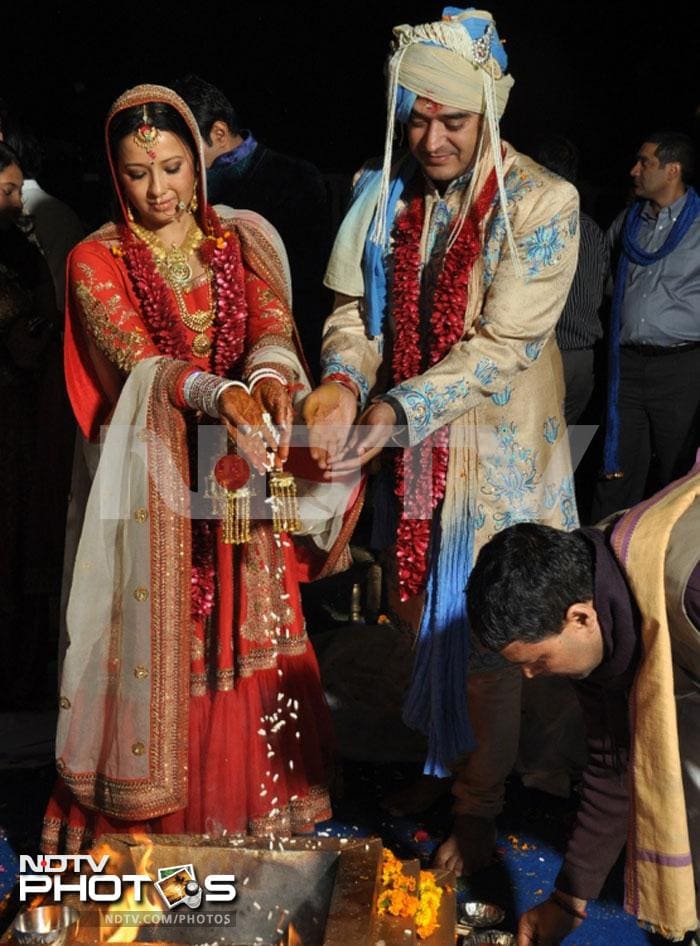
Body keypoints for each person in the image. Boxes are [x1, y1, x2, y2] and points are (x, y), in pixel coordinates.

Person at [303, 7, 580, 874]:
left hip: (496, 462)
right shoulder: (382, 191)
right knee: (416, 614)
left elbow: (500, 348)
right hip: (417, 460)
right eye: (415, 117)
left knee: (487, 636)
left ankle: (479, 808)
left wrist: (391, 413)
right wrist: (345, 379)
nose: (429, 139)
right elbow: (354, 314)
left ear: (488, 112)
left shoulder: (542, 203)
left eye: (451, 120)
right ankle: (446, 763)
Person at [41, 84, 334, 853]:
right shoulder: (94, 258)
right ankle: (153, 815)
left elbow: (271, 320)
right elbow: (139, 362)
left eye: (173, 167)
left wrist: (270, 373)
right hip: (154, 486)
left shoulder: (239, 239)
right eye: (138, 173)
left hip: (233, 473)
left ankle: (241, 809)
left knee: (241, 619)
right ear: (115, 172)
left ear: (199, 163)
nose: (159, 189)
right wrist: (222, 392)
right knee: (168, 632)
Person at [467, 467, 700, 945]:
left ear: (580, 617)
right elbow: (614, 764)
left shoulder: (688, 588)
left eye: (538, 661)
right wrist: (568, 900)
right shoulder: (601, 610)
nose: (531, 676)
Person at [173, 75, 332, 381]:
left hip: (276, 355)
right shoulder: (179, 192)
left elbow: (305, 288)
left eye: (184, 149)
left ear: (219, 132)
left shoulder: (294, 178)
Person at [593, 131, 700, 520]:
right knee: (617, 468)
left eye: (645, 163)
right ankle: (605, 557)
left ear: (672, 170)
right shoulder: (629, 222)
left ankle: (672, 566)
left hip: (680, 367)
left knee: (679, 471)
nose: (634, 170)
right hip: (628, 365)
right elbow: (605, 279)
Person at [0, 141, 63, 707]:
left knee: (21, 549)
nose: (15, 203)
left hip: (22, 426)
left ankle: (18, 680)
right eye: (3, 191)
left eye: (16, 189)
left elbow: (42, 321)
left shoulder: (25, 253)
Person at [534, 135, 608, 426]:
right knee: (567, 453)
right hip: (583, 361)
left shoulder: (536, 225)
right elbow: (605, 286)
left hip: (548, 358)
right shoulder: (592, 229)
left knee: (535, 455)